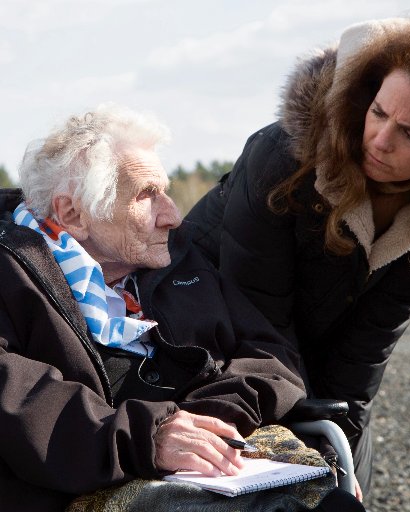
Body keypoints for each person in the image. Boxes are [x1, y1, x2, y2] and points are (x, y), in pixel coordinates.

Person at [186, 17, 410, 496]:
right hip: (207, 346)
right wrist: (302, 457)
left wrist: (337, 457)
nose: (380, 140)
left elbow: (363, 357)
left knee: (347, 466)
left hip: (309, 361)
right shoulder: (281, 158)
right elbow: (257, 317)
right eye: (378, 112)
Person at [0, 104, 365, 512]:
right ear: (73, 213)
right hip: (85, 484)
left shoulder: (175, 257)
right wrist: (148, 437)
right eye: (147, 195)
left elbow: (269, 356)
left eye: (166, 190)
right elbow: (17, 400)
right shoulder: (10, 271)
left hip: (208, 469)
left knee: (332, 505)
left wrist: (209, 422)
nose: (172, 215)